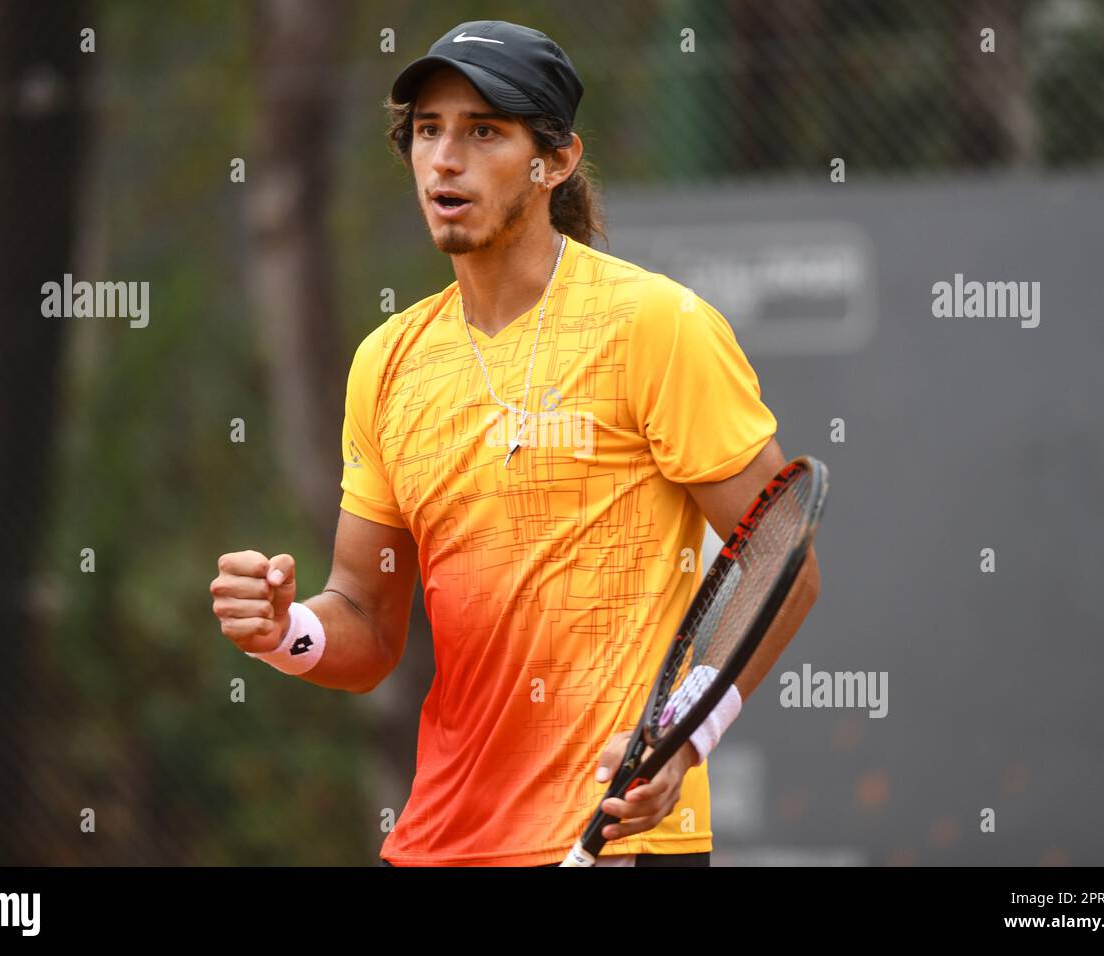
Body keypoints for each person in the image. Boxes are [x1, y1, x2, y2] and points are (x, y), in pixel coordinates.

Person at [210, 19, 820, 867]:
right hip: (436, 843)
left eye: (484, 131)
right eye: (428, 131)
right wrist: (285, 631)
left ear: (555, 161)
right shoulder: (385, 363)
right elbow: (365, 621)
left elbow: (783, 555)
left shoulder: (655, 326)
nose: (444, 160)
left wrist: (681, 740)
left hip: (617, 840)